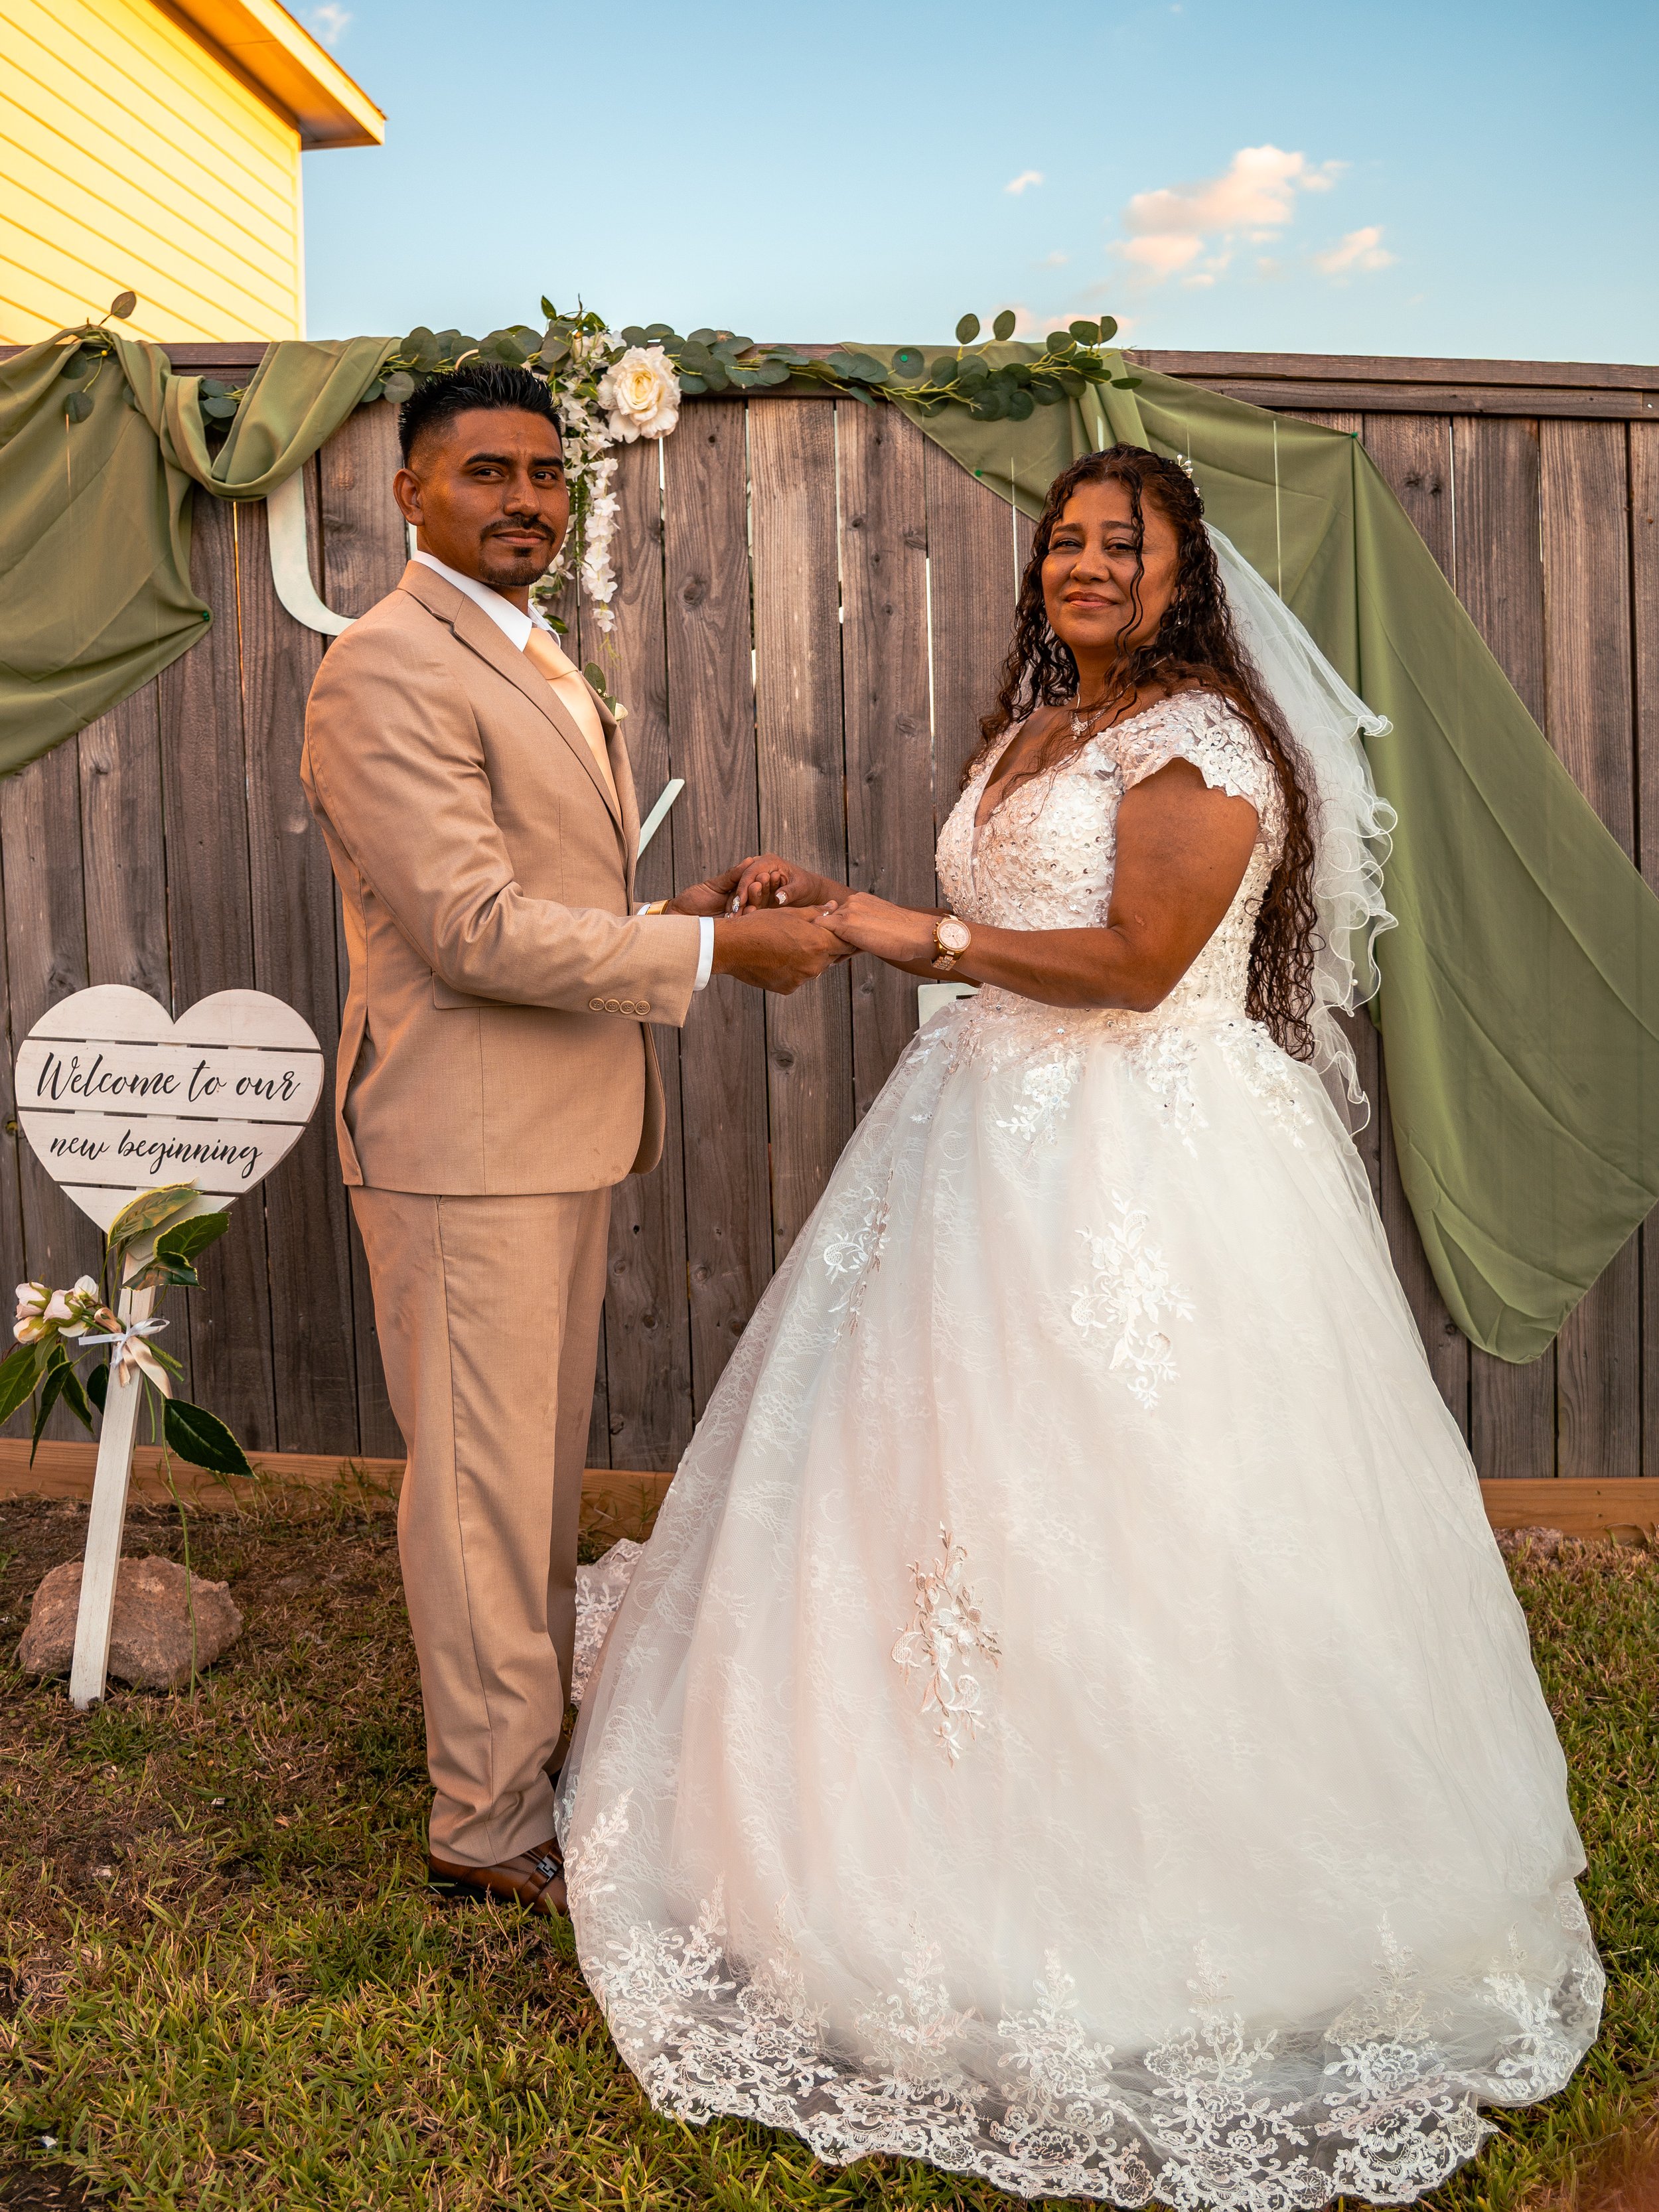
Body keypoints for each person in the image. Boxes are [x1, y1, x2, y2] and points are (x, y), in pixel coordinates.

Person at [555, 446, 1602, 2207]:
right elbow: (999, 931)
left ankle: (1175, 1890)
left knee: (1146, 1504)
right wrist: (826, 891)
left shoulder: (1201, 741)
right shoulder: (1040, 729)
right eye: (1060, 543)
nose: (1080, 565)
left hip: (1145, 1179)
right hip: (972, 1143)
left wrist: (907, 926)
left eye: (1120, 543)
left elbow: (1128, 958)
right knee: (930, 1487)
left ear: (1185, 572)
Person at [300, 364, 841, 1918]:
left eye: (544, 472)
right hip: (459, 1140)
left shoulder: (525, 652)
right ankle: (482, 1826)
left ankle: (526, 1751)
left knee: (524, 1484)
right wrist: (708, 965)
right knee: (478, 1495)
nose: (524, 497)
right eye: (485, 473)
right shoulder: (387, 667)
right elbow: (466, 929)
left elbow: (520, 890)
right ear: (408, 491)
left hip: (550, 1130)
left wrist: (662, 915)